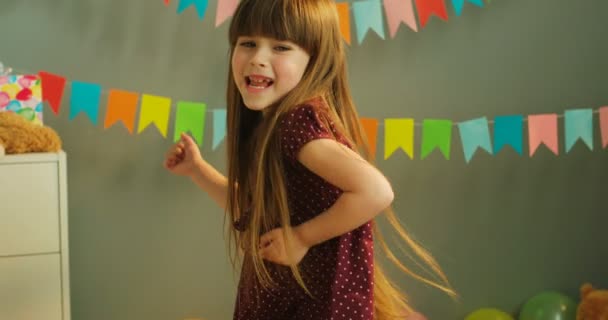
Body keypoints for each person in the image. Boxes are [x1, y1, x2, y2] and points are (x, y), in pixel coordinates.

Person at [164, 0, 456, 319]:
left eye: (281, 47)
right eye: (248, 43)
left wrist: (302, 237)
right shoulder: (273, 125)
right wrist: (197, 169)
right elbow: (256, 211)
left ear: (313, 62)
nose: (258, 59)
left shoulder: (295, 126)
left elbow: (376, 191)